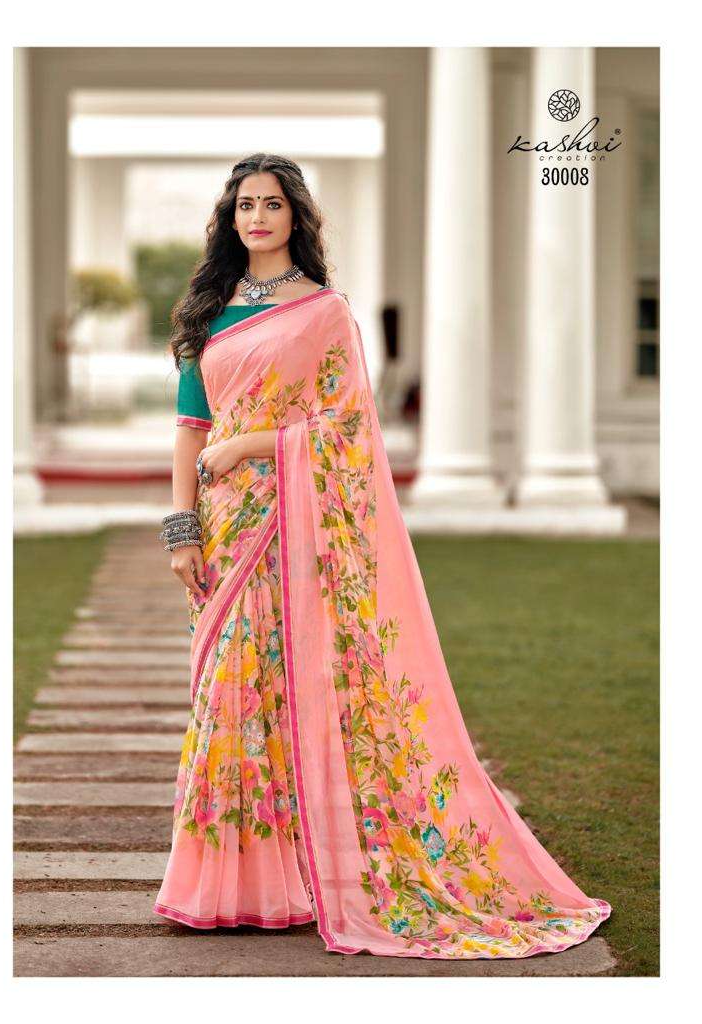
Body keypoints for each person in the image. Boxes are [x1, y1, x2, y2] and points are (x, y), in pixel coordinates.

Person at [152, 153, 611, 960]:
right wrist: (181, 528)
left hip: (292, 523)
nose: (256, 217)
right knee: (227, 694)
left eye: (271, 204)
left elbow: (347, 432)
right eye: (244, 205)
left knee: (277, 692)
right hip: (224, 529)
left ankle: (290, 881)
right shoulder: (207, 311)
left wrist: (253, 444)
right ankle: (234, 884)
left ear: (295, 216)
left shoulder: (324, 313)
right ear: (228, 220)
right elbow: (191, 430)